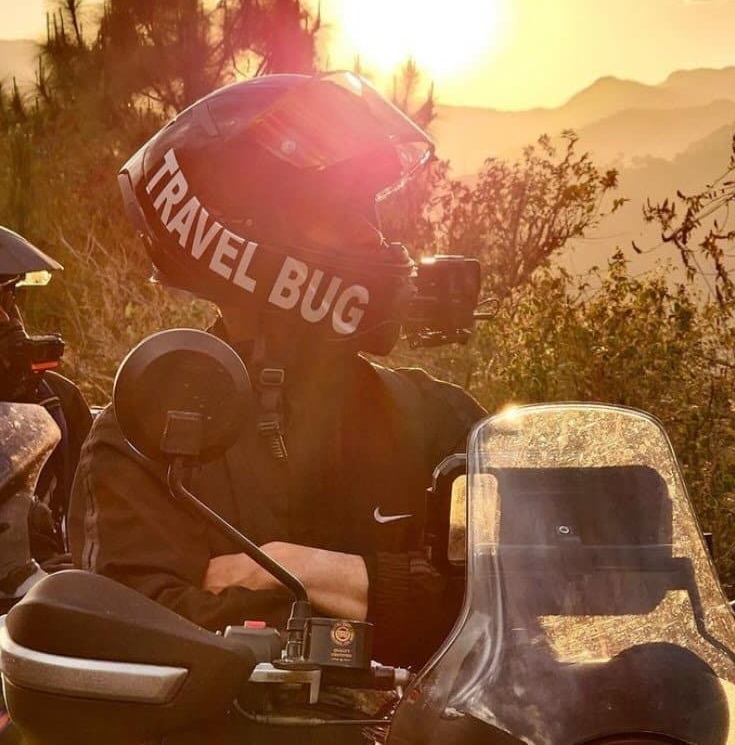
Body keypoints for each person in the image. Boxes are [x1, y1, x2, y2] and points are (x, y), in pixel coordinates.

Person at [69, 72, 486, 669]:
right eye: (343, 215)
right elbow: (147, 635)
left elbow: (511, 606)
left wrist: (297, 567)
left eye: (373, 216)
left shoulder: (437, 418)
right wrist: (389, 596)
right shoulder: (142, 438)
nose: (379, 244)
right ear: (244, 236)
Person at [0, 227, 92, 560]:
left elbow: (97, 520)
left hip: (39, 584)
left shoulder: (58, 397)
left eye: (9, 300)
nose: (8, 320)